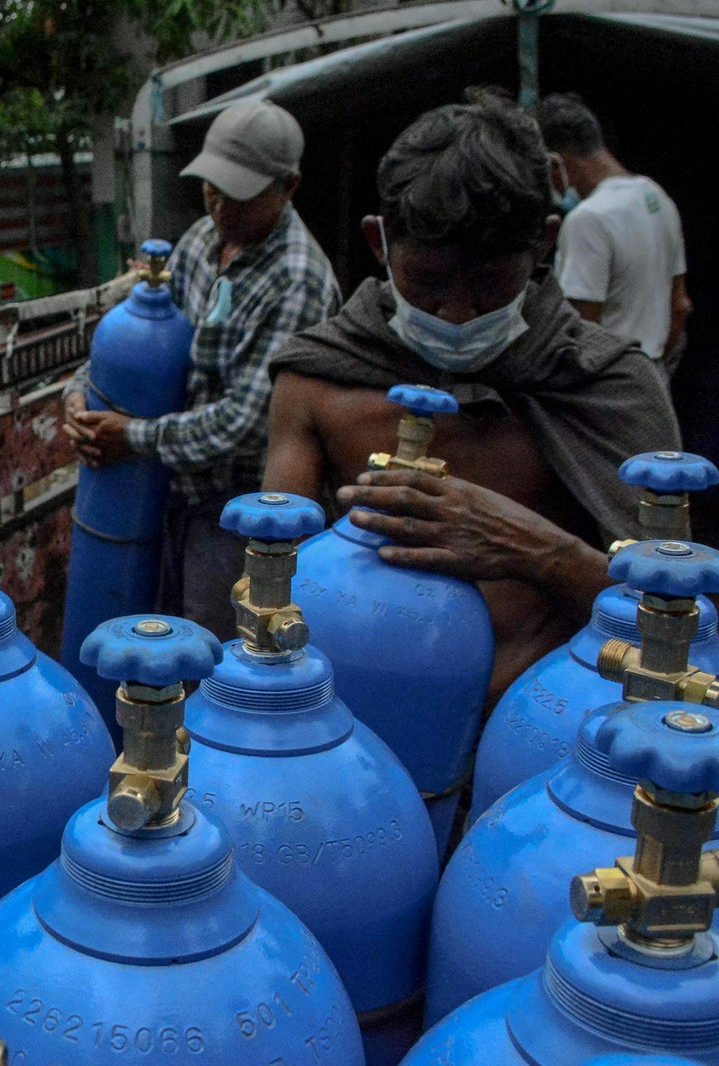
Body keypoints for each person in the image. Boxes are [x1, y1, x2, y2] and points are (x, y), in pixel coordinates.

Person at [264, 90, 680, 701]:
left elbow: (683, 624)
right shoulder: (317, 379)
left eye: (491, 284)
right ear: (379, 242)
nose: (457, 313)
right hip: (360, 722)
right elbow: (271, 594)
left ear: (543, 244)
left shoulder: (607, 385)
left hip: (553, 727)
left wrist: (540, 553)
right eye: (426, 281)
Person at [63, 100, 341, 638]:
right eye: (212, 188)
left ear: (288, 187)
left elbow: (245, 422)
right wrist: (84, 396)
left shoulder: (298, 280)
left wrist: (133, 437)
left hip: (233, 512)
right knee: (143, 635)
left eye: (239, 194)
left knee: (206, 648)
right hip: (167, 487)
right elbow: (149, 343)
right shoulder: (199, 241)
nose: (220, 206)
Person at [536, 93, 691, 378]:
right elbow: (680, 306)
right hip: (654, 376)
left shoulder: (588, 219)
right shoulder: (656, 196)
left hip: (608, 383)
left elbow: (581, 336)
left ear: (556, 162)